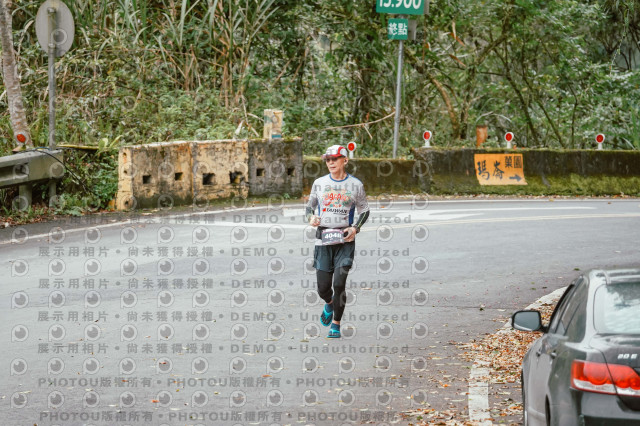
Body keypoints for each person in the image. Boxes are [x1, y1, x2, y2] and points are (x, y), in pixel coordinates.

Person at [305, 145, 370, 338]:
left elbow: (364, 210)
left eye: (335, 158)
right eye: (328, 159)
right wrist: (311, 217)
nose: (331, 162)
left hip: (345, 239)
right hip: (323, 239)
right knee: (323, 288)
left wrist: (355, 228)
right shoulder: (319, 183)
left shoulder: (355, 185)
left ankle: (336, 324)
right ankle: (329, 303)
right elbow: (309, 207)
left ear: (345, 160)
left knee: (339, 284)